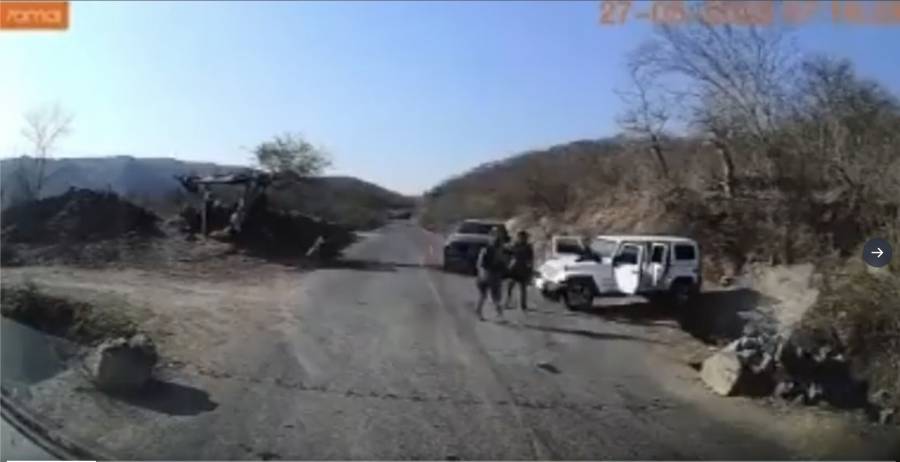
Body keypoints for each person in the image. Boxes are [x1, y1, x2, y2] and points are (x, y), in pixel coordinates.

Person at [475, 229, 507, 321]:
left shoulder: (486, 250)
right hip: (491, 274)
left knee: (484, 295)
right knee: (495, 296)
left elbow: (479, 264)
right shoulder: (494, 251)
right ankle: (499, 314)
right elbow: (500, 263)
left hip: (485, 274)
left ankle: (480, 312)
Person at [506, 230, 535, 311]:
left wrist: (530, 271)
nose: (522, 238)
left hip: (523, 269)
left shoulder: (528, 247)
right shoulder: (516, 245)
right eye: (520, 237)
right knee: (510, 287)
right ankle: (507, 302)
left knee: (523, 288)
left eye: (523, 237)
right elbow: (510, 254)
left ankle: (523, 305)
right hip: (514, 268)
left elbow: (530, 260)